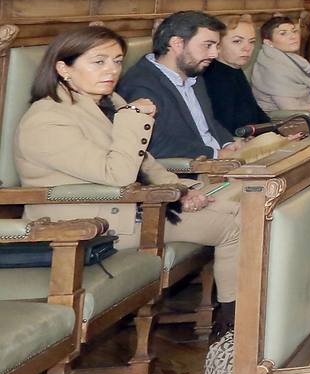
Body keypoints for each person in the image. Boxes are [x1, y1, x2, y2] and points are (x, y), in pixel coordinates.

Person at [16, 26, 245, 337]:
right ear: (63, 68)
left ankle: (245, 313)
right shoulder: (48, 119)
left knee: (246, 202)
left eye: (117, 61)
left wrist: (181, 190)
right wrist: (133, 118)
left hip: (132, 208)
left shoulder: (103, 101)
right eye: (99, 62)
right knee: (233, 227)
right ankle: (232, 326)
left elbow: (145, 163)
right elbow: (118, 175)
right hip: (86, 225)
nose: (111, 70)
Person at [115, 10, 241, 160]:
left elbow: (207, 123)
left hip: (219, 161)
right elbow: (153, 145)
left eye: (216, 46)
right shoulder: (140, 84)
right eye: (208, 45)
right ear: (177, 44)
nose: (214, 54)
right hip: (191, 172)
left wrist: (227, 142)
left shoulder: (193, 74)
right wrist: (215, 154)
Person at [200, 16, 272, 134]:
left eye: (252, 42)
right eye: (237, 41)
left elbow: (255, 112)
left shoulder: (234, 69)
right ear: (218, 45)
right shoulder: (212, 77)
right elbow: (223, 128)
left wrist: (277, 133)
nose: (247, 48)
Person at [250, 15, 310, 113]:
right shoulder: (272, 68)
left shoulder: (294, 60)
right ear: (268, 43)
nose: (293, 36)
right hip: (279, 121)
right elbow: (288, 108)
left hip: (304, 115)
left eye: (294, 31)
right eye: (283, 34)